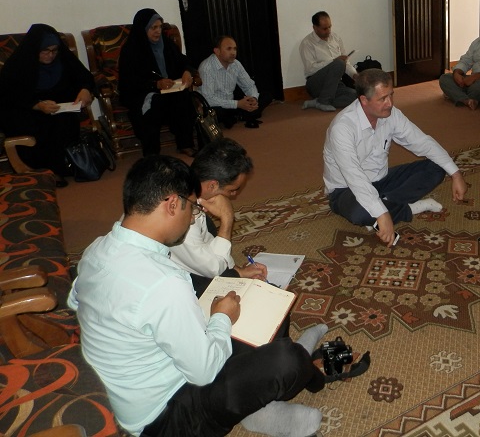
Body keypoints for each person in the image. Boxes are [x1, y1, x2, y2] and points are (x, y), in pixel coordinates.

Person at [68, 155, 329, 437]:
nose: (193, 216)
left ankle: (257, 404)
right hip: (164, 417)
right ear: (172, 204)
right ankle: (290, 379)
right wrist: (221, 318)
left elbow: (75, 300)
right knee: (286, 360)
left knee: (266, 310)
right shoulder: (164, 283)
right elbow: (204, 372)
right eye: (192, 207)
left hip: (143, 378)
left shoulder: (96, 249)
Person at [324, 68, 468, 245]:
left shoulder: (391, 115)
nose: (390, 103)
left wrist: (456, 174)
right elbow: (354, 176)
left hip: (382, 180)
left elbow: (422, 142)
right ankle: (408, 209)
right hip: (346, 189)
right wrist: (382, 214)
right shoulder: (342, 128)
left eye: (391, 95)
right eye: (382, 99)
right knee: (358, 213)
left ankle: (383, 206)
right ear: (364, 100)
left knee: (438, 167)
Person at [169, 138, 268, 296]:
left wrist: (237, 271)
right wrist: (227, 219)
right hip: (170, 280)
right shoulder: (182, 216)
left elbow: (207, 242)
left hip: (193, 264)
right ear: (212, 185)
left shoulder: (190, 188)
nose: (234, 195)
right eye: (232, 190)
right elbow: (214, 269)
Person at [0, 23, 94, 186]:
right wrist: (37, 105)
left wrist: (85, 90)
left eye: (54, 50)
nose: (51, 55)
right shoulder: (18, 65)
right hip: (26, 109)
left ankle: (59, 168)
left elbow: (84, 77)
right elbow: (8, 95)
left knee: (64, 121)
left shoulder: (64, 60)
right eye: (45, 51)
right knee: (34, 124)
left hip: (59, 108)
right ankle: (40, 170)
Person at [118, 8, 197, 157]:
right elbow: (129, 82)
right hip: (142, 93)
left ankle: (185, 144)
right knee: (154, 104)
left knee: (183, 97)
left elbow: (183, 61)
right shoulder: (131, 50)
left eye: (160, 27)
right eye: (153, 27)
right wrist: (155, 84)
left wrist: (187, 71)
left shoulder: (166, 43)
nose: (158, 31)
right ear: (143, 29)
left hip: (169, 89)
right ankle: (152, 154)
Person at [198, 35, 270, 129]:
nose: (233, 52)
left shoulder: (236, 64)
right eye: (229, 49)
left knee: (266, 96)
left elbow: (249, 85)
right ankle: (242, 115)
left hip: (232, 102)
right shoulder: (207, 68)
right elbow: (208, 99)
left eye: (235, 49)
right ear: (217, 51)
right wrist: (237, 104)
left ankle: (237, 116)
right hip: (215, 105)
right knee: (216, 112)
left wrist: (253, 98)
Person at [299, 11, 357, 111]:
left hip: (335, 83)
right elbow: (310, 69)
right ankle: (324, 101)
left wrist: (354, 75)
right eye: (325, 28)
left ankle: (319, 101)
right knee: (338, 63)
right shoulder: (307, 43)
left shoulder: (336, 38)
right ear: (315, 28)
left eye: (330, 27)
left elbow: (345, 62)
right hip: (316, 83)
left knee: (357, 97)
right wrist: (333, 61)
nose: (328, 31)